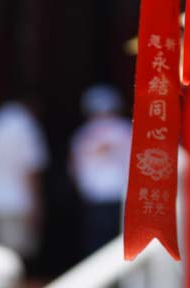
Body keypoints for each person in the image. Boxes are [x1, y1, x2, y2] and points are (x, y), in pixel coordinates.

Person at [0, 101, 49, 265]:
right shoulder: (25, 125)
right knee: (17, 260)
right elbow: (30, 168)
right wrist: (37, 204)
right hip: (19, 203)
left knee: (2, 257)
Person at [69, 84, 132, 257]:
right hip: (122, 198)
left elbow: (74, 169)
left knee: (96, 246)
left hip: (93, 199)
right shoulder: (127, 130)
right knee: (121, 244)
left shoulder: (81, 135)